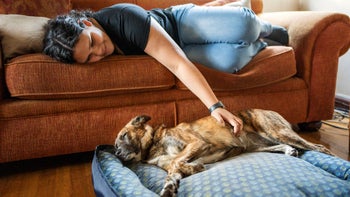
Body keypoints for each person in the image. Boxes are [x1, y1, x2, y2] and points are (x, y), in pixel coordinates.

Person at [43, 3, 289, 135]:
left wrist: (215, 107)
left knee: (242, 26)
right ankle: (259, 45)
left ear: (86, 22)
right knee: (229, 63)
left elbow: (177, 63)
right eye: (88, 59)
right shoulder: (88, 46)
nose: (99, 52)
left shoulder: (123, 17)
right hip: (181, 50)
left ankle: (264, 27)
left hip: (179, 24)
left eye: (93, 42)